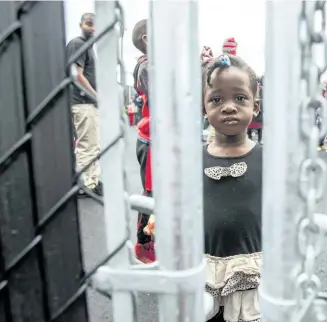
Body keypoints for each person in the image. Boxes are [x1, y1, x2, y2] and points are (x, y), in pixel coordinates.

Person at [145, 54, 262, 321]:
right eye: (217, 99)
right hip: (202, 271)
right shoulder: (190, 160)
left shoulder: (268, 160)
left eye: (240, 98)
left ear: (256, 106)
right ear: (203, 107)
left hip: (251, 274)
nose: (229, 107)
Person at [66, 13, 103, 197]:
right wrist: (96, 96)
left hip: (87, 103)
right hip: (82, 102)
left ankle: (92, 180)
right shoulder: (78, 43)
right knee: (87, 145)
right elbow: (77, 75)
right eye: (89, 24)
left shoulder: (87, 47)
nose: (93, 28)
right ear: (81, 24)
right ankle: (87, 184)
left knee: (92, 144)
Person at [130, 19, 155, 263]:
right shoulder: (147, 66)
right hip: (151, 140)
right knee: (151, 193)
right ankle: (143, 244)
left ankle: (156, 237)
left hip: (159, 137)